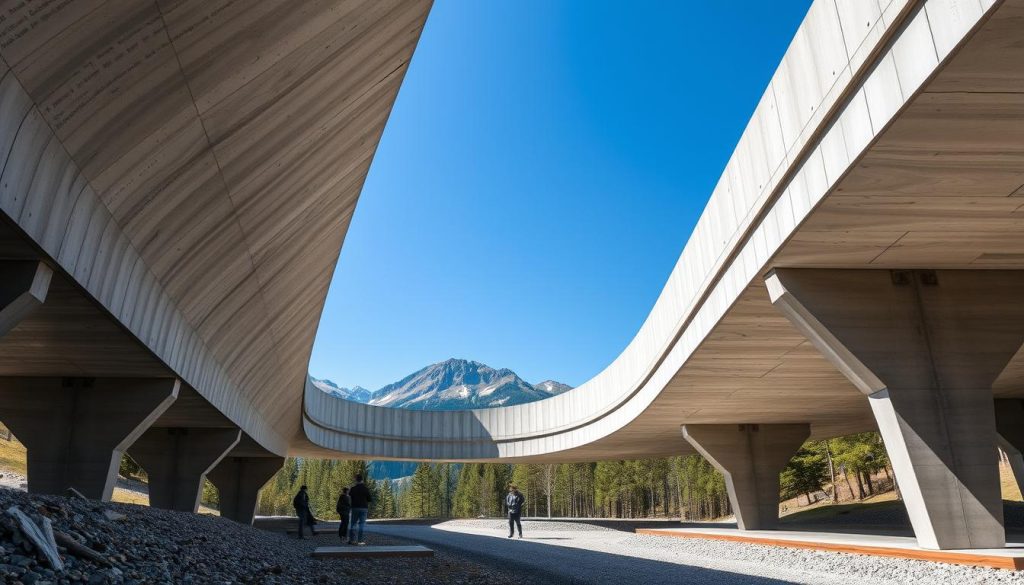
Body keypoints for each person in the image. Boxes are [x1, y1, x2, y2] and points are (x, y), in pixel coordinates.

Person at [347, 474, 373, 545]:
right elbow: (370, 499)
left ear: (356, 480)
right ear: (362, 480)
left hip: (355, 508)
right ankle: (360, 541)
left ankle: (352, 540)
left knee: (353, 524)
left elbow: (349, 496)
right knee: (361, 524)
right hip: (364, 508)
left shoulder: (353, 489)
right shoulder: (365, 489)